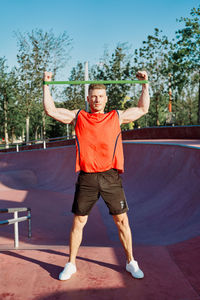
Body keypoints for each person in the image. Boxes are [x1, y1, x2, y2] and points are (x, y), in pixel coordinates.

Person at [43, 70, 150, 281]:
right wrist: (46, 84)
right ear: (88, 99)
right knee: (79, 221)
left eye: (101, 96)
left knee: (122, 221)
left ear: (106, 99)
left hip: (111, 177)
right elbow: (51, 110)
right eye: (93, 96)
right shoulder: (79, 117)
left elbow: (143, 108)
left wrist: (145, 84)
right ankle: (71, 263)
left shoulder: (115, 116)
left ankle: (130, 262)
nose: (97, 99)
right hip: (87, 178)